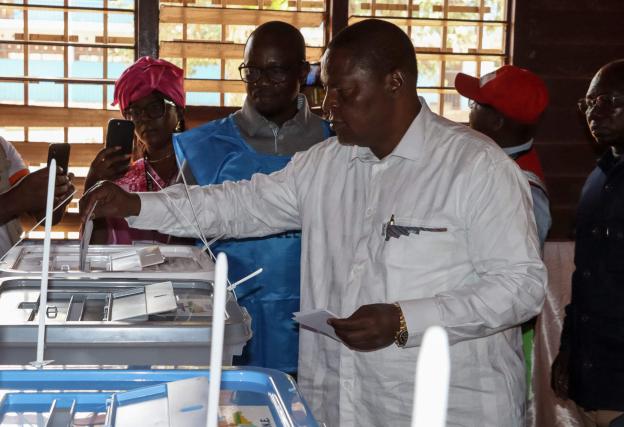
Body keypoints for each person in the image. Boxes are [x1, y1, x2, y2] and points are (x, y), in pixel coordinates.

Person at [80, 19, 547, 426]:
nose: (328, 109)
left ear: (396, 83)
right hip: (341, 401)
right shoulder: (325, 163)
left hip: (445, 405)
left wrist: (406, 319)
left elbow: (520, 286)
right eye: (325, 91)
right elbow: (239, 205)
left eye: (344, 94)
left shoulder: (475, 167)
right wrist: (137, 206)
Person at [172, 21, 331, 374]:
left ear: (303, 72)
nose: (260, 81)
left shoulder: (336, 145)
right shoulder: (205, 149)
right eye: (252, 70)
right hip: (231, 334)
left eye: (274, 70)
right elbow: (180, 250)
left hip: (319, 333)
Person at [551, 59, 624, 427]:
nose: (594, 113)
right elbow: (586, 279)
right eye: (588, 104)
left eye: (608, 101)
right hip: (593, 372)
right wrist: (569, 349)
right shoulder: (597, 179)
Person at [84, 56, 186, 244]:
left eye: (155, 107)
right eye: (135, 112)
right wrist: (92, 182)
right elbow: (93, 249)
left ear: (178, 111)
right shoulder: (121, 182)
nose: (144, 119)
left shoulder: (201, 168)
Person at [455, 65, 551, 247]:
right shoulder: (499, 162)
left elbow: (518, 268)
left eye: (474, 104)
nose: (470, 113)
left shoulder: (524, 190)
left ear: (496, 122)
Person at [0, 136, 74, 256]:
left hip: (6, 263)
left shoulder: (3, 147)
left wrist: (57, 199)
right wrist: (16, 199)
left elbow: (41, 214)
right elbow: (19, 197)